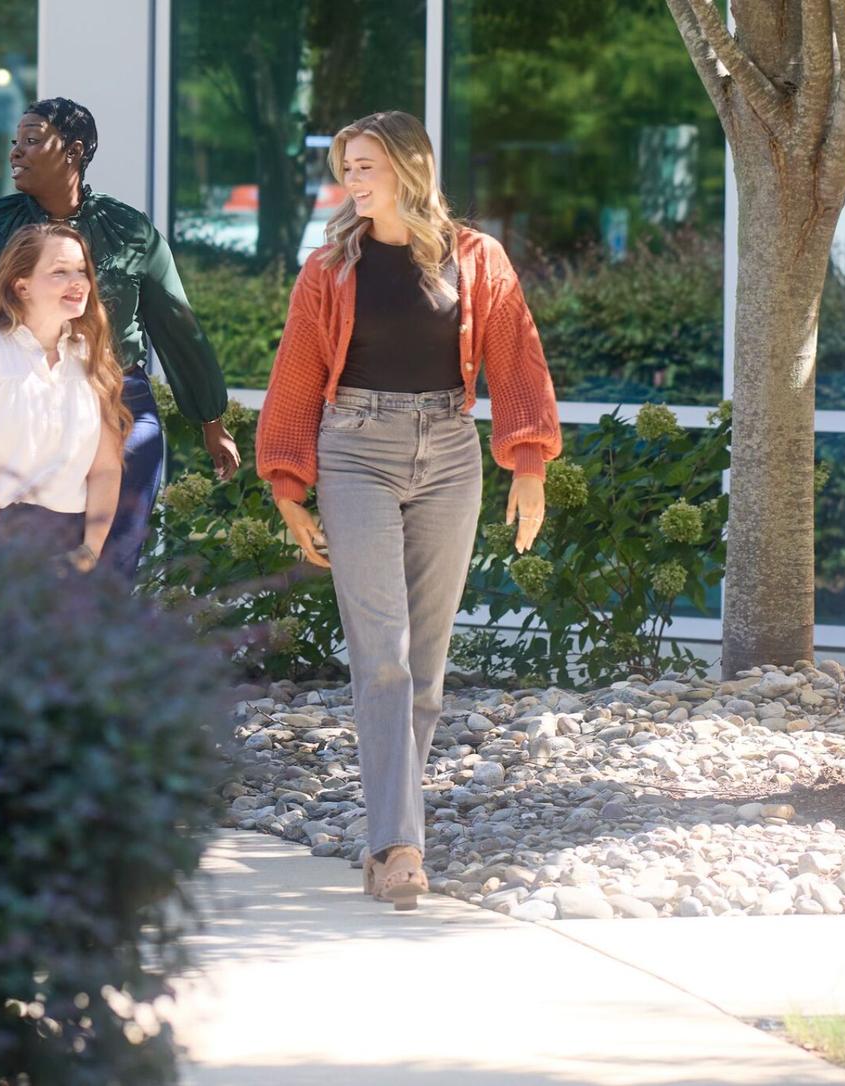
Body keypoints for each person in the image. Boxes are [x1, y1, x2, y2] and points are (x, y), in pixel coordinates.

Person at [256, 111, 561, 911]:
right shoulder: (330, 268)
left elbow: (516, 359)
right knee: (383, 655)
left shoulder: (477, 259)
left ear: (408, 168)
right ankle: (398, 847)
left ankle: (393, 832)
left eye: (365, 166)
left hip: (450, 453)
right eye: (346, 167)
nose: (351, 180)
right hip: (356, 451)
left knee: (425, 665)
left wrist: (529, 464)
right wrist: (288, 485)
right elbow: (297, 372)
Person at [0, 97, 239, 576]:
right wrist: (26, 341)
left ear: (74, 151)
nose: (15, 151)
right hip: (23, 399)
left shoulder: (131, 230)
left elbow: (177, 325)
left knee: (111, 563)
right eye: (16, 141)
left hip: (119, 400)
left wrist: (211, 418)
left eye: (31, 140)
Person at [0, 223, 130, 571]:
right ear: (22, 286)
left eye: (81, 270)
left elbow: (106, 470)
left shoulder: (91, 356)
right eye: (60, 272)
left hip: (72, 548)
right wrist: (12, 562)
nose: (78, 282)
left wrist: (90, 552)